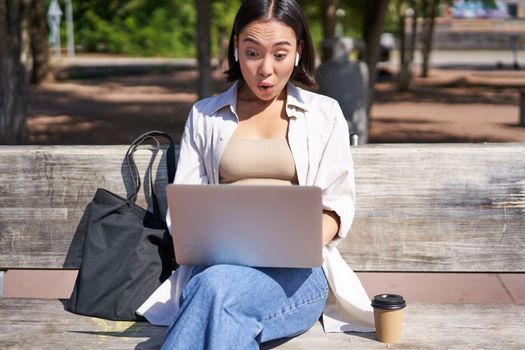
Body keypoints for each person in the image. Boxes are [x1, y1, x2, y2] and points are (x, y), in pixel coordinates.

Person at [137, 1, 374, 348]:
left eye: (280, 55)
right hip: (217, 268)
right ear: (235, 48)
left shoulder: (325, 114)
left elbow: (337, 207)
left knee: (212, 292)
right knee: (220, 302)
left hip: (296, 278)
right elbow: (185, 211)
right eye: (252, 53)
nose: (266, 70)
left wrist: (289, 245)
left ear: (298, 51)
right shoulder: (205, 115)